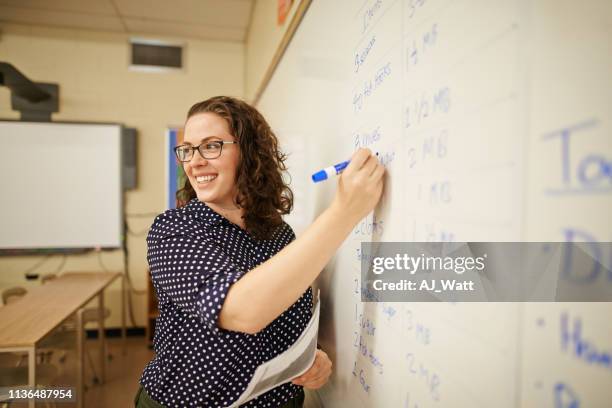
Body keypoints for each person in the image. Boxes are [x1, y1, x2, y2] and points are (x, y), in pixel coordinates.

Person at [135, 96, 384, 407]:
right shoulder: (174, 230)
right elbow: (243, 311)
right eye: (187, 149)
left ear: (250, 152)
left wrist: (311, 357)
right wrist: (345, 211)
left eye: (211, 146)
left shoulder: (279, 234)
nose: (194, 161)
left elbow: (283, 315)